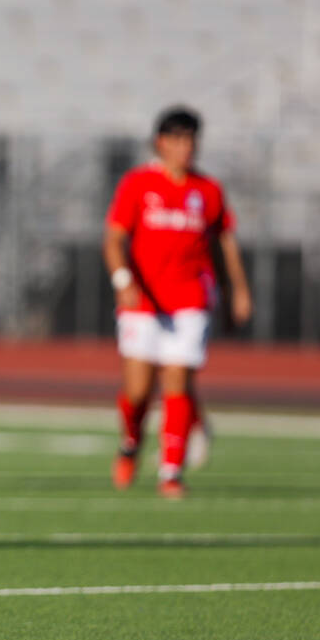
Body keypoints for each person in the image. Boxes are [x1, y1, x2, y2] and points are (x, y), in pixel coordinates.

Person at [103, 106, 252, 498]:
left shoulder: (208, 191)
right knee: (137, 390)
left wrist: (239, 288)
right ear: (161, 143)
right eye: (178, 140)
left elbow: (225, 243)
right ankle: (130, 442)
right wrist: (123, 279)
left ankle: (171, 472)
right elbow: (114, 239)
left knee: (178, 382)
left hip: (190, 298)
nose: (186, 148)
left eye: (191, 140)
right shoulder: (138, 184)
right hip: (144, 301)